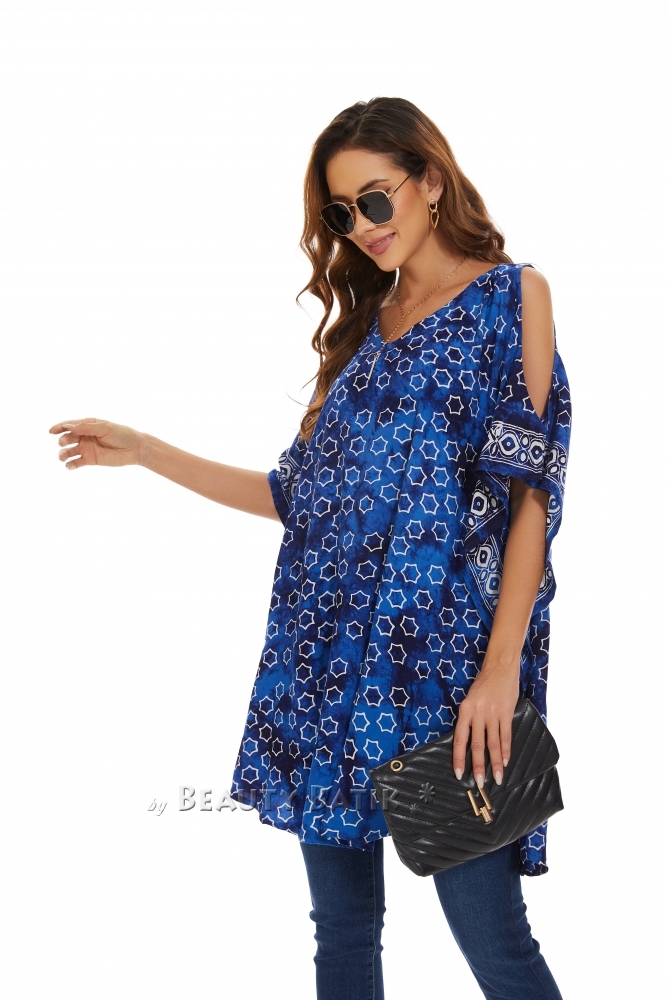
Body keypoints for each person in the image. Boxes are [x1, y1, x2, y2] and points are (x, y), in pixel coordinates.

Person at [50, 97, 571, 999]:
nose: (361, 226)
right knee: (342, 936)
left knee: (495, 941)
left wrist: (498, 670)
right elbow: (296, 500)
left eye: (374, 199)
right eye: (340, 212)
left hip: (445, 675)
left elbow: (531, 495)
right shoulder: (361, 332)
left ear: (430, 181)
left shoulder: (512, 297)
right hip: (323, 665)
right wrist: (147, 452)